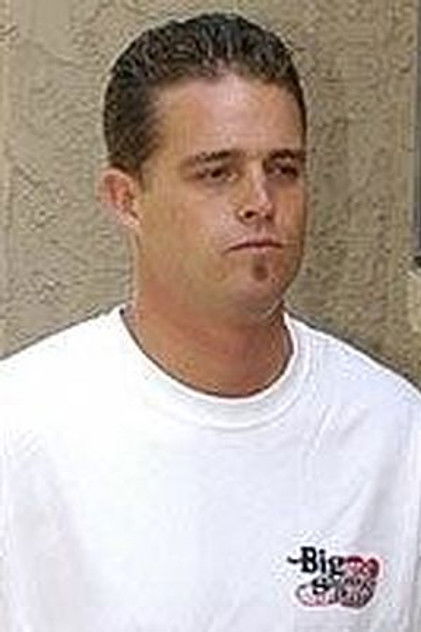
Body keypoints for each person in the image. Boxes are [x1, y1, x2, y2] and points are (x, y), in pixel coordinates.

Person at [1, 11, 420, 632]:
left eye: (284, 168)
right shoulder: (21, 432)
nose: (260, 202)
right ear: (126, 199)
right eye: (217, 172)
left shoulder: (395, 436)